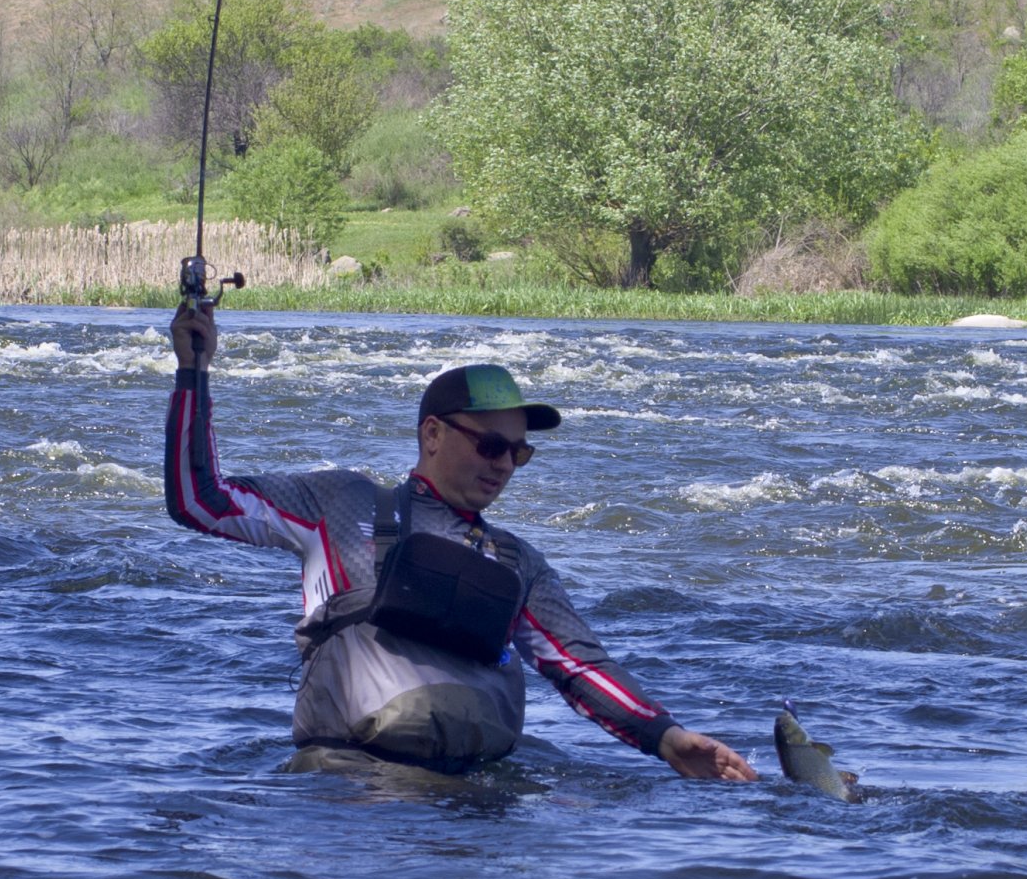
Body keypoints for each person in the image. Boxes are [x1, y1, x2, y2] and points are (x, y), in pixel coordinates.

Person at [165, 301, 757, 780]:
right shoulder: (337, 503)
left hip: (473, 800)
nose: (504, 465)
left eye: (519, 453)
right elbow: (198, 499)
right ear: (432, 434)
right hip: (345, 792)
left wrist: (665, 737)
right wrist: (194, 373)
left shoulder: (518, 563)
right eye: (490, 445)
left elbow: (579, 665)